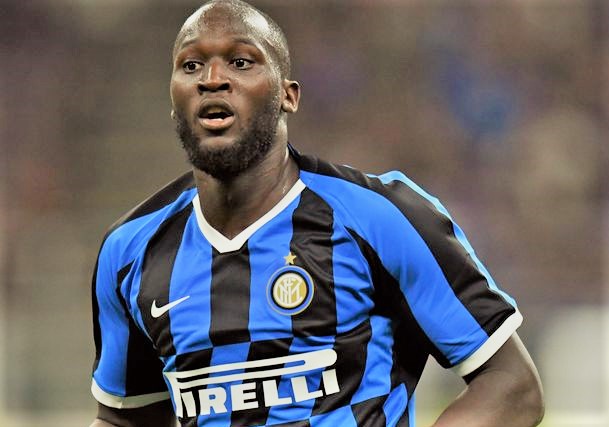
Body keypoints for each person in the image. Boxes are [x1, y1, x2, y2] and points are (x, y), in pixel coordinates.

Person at [89, 1, 544, 426]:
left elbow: (512, 386)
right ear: (174, 103)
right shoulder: (130, 252)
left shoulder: (380, 217)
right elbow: (124, 418)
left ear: (288, 96)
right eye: (191, 65)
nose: (212, 78)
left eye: (241, 62)